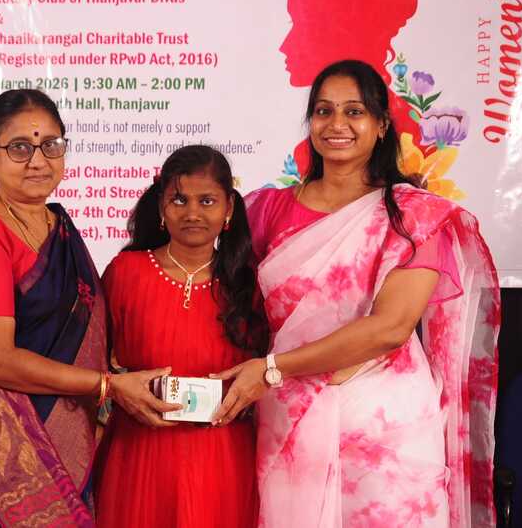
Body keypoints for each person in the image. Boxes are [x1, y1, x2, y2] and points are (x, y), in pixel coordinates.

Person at [211, 60, 500, 527]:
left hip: (385, 433)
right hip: (289, 423)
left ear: (382, 125)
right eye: (324, 111)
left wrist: (270, 370)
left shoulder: (413, 217)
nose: (337, 124)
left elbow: (389, 329)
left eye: (354, 112)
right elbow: (225, 300)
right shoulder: (264, 211)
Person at [0, 88, 174, 527]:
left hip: (65, 434)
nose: (37, 160)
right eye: (19, 148)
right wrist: (106, 387)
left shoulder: (59, 227)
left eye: (50, 145)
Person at [95, 145, 267, 528]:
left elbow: (269, 372)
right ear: (161, 208)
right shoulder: (126, 272)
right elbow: (94, 363)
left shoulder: (248, 283)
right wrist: (117, 389)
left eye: (207, 201)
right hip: (139, 453)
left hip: (223, 457)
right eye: (179, 199)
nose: (192, 213)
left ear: (228, 210)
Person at [280, 0, 422, 176]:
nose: (285, 45)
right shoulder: (281, 192)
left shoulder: (414, 142)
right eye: (323, 111)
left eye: (354, 112)